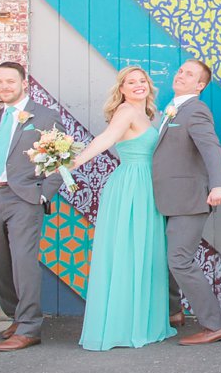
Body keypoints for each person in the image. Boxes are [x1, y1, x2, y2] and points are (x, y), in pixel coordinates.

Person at [70, 66, 174, 351]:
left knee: (145, 252)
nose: (138, 85)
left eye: (142, 81)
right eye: (131, 82)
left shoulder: (147, 115)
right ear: (122, 89)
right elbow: (107, 139)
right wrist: (75, 162)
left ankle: (142, 322)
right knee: (128, 252)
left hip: (146, 186)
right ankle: (122, 326)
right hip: (131, 186)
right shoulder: (126, 111)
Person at [0, 61, 61, 352]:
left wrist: (43, 195)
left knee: (23, 261)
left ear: (24, 83)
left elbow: (61, 160)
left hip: (24, 198)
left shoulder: (45, 117)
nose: (4, 87)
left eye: (10, 81)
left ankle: (30, 326)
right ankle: (17, 316)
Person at [153, 59, 221, 345]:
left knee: (179, 260)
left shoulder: (195, 110)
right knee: (169, 258)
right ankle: (174, 311)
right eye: (180, 71)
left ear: (200, 85)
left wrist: (218, 185)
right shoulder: (174, 109)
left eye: (189, 74)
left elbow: (211, 147)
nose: (181, 75)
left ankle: (216, 324)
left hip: (190, 199)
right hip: (169, 199)